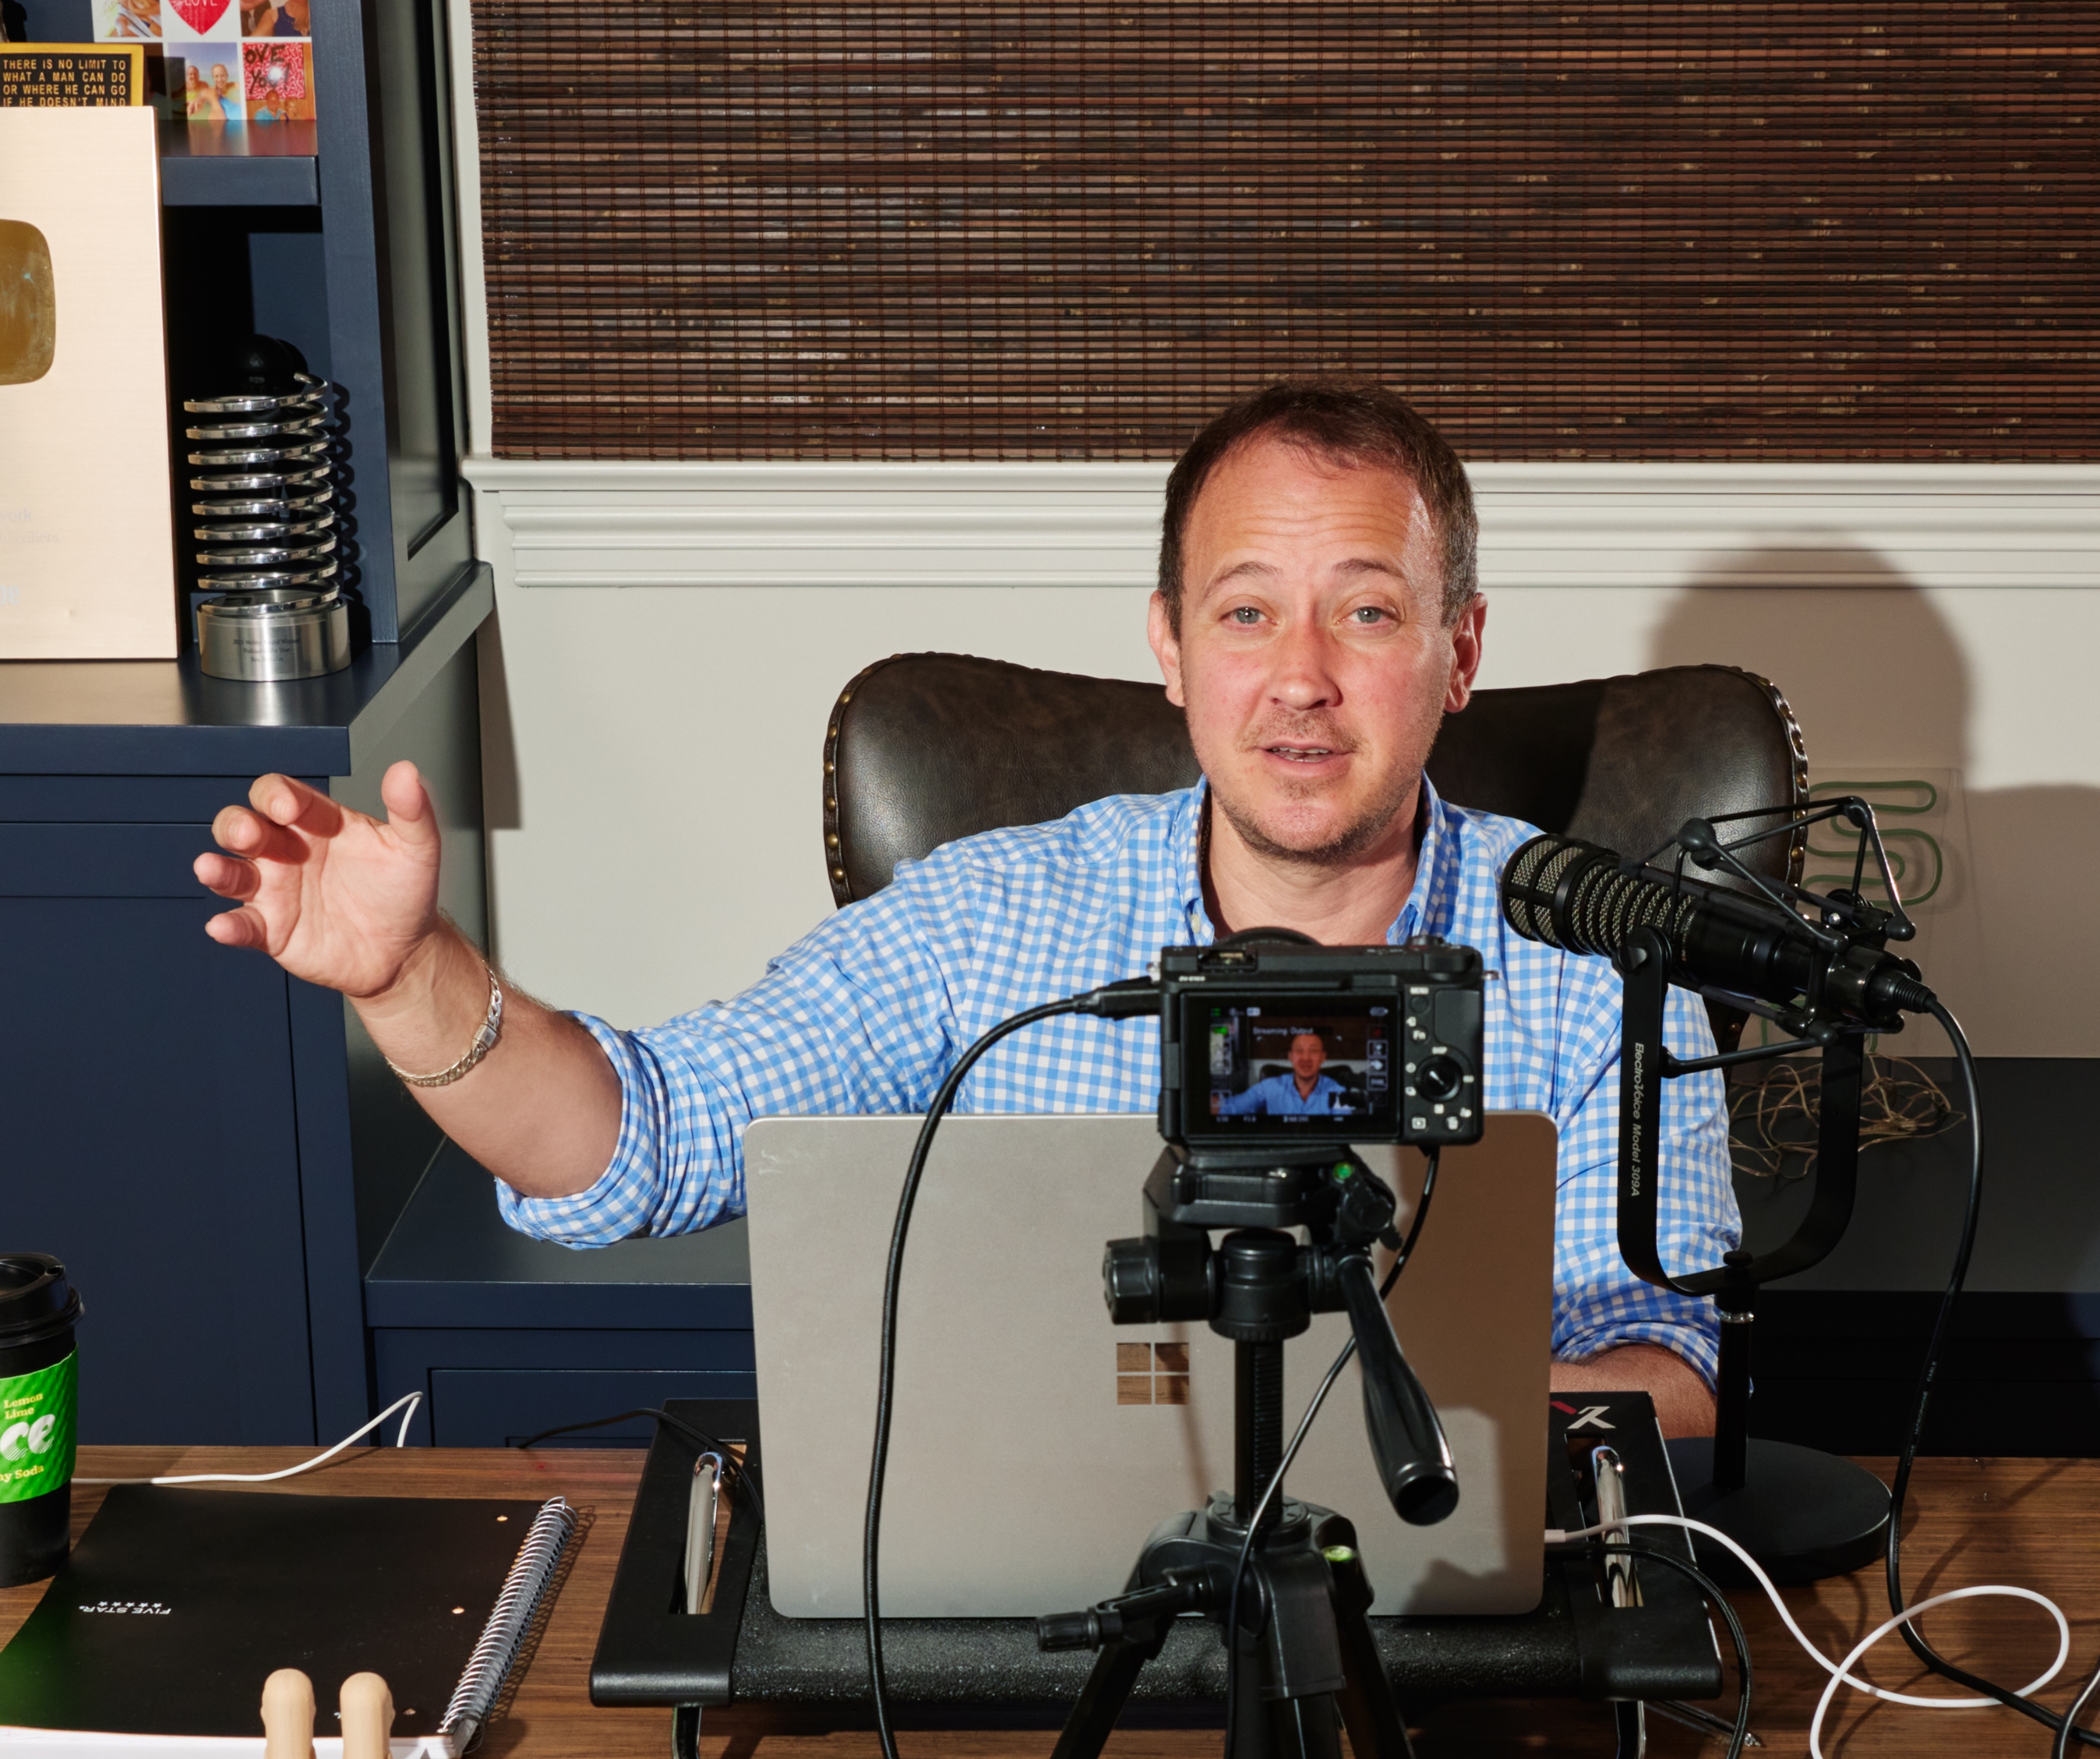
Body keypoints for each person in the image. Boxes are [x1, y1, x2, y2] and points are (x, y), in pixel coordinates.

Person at [195, 380, 1735, 1436]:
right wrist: (407, 975)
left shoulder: (1594, 968)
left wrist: (1355, 1423)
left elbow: (1666, 1371)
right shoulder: (989, 924)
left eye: (1369, 612)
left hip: (1444, 1592)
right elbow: (638, 1145)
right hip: (1045, 1611)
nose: (1301, 677)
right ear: (1170, 645)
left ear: (1458, 655)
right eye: (1245, 610)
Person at [1219, 1028, 1351, 1118]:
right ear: (1290, 1057)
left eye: (1313, 1051)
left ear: (1323, 1057)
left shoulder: (1337, 1091)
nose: (1306, 1058)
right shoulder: (1269, 1087)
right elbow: (1229, 1108)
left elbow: (1346, 1131)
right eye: (1299, 1051)